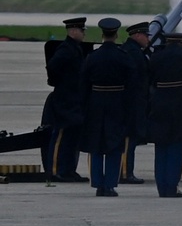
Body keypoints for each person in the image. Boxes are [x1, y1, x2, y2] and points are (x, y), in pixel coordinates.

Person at [79, 18, 138, 197]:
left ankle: (98, 183)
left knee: (96, 145)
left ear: (102, 34)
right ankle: (110, 184)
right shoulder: (124, 57)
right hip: (117, 103)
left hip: (96, 103)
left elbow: (83, 85)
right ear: (117, 34)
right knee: (114, 145)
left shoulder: (92, 57)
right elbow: (132, 85)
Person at [148, 32, 182, 198]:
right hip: (180, 104)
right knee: (177, 146)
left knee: (161, 147)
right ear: (180, 42)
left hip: (159, 103)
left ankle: (162, 186)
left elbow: (150, 79)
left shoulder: (156, 57)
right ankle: (171, 186)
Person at [41, 17, 89, 182]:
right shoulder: (66, 49)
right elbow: (52, 66)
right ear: (73, 31)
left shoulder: (75, 48)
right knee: (61, 135)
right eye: (82, 31)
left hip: (74, 98)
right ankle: (55, 170)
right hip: (65, 98)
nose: (84, 33)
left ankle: (68, 169)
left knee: (72, 137)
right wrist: (57, 82)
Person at [119, 21, 151, 185]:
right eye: (146, 36)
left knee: (129, 139)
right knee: (128, 139)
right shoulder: (133, 52)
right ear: (137, 35)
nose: (148, 39)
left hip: (132, 102)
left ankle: (125, 170)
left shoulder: (132, 50)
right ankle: (125, 172)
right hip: (131, 103)